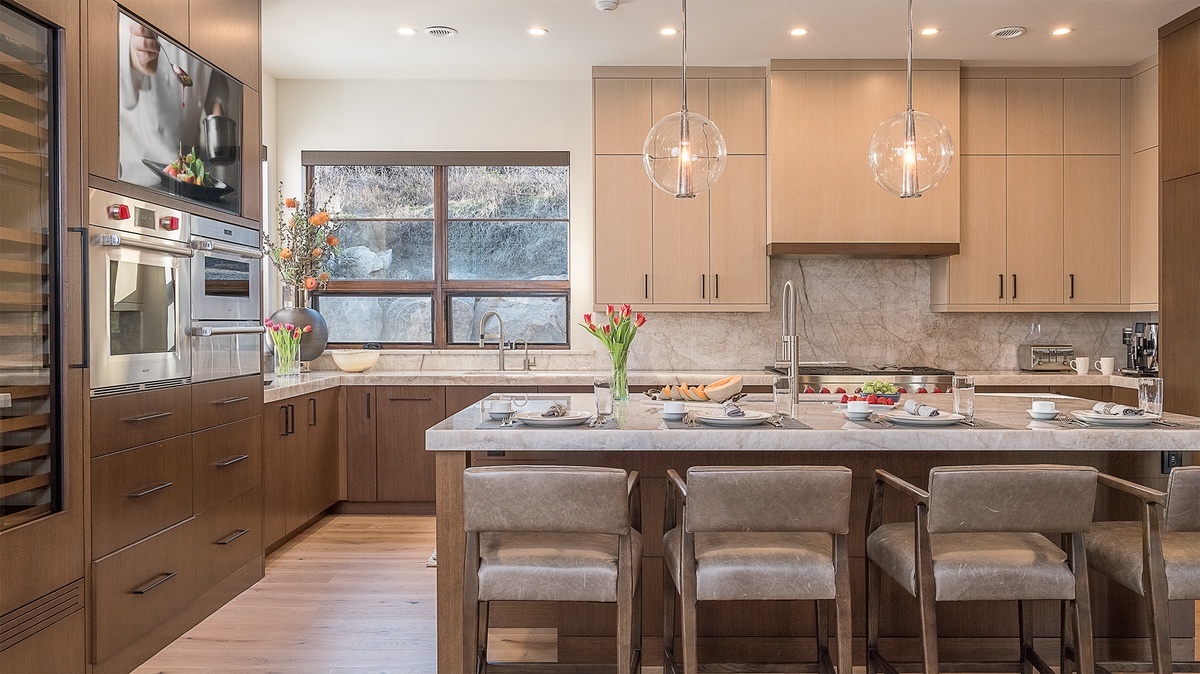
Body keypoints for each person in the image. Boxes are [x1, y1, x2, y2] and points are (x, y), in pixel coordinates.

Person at [117, 13, 238, 208]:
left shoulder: (211, 17)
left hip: (187, 176)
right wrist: (135, 56)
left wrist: (217, 113)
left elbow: (213, 72)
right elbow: (118, 67)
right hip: (142, 167)